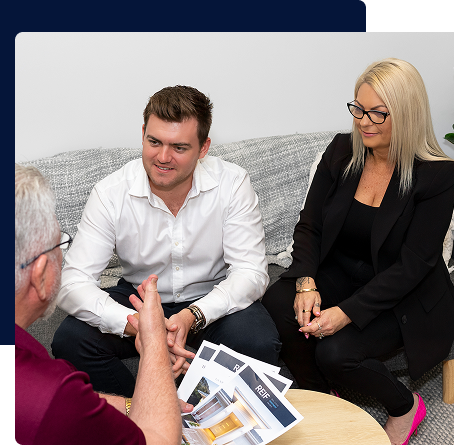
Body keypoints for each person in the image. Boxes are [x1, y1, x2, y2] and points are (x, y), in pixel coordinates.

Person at [262, 58, 454, 445]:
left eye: (377, 113)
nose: (363, 122)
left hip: (401, 293)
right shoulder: (341, 150)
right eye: (358, 109)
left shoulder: (438, 175)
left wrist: (346, 313)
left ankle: (405, 406)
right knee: (279, 303)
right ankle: (323, 394)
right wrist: (306, 283)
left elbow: (413, 265)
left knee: (335, 353)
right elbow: (310, 225)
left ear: (406, 114)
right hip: (341, 271)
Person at [51, 85, 281, 398]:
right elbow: (72, 283)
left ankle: (201, 415)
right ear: (143, 134)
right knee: (70, 340)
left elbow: (250, 272)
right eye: (154, 142)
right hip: (139, 298)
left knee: (258, 342)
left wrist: (193, 315)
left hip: (211, 297)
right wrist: (140, 325)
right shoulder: (110, 193)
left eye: (179, 147)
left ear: (203, 148)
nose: (162, 157)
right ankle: (139, 416)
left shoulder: (232, 183)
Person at [15, 164, 185, 445]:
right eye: (60, 244)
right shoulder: (51, 393)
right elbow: (162, 441)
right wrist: (153, 336)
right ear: (40, 274)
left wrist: (131, 406)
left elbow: (73, 405)